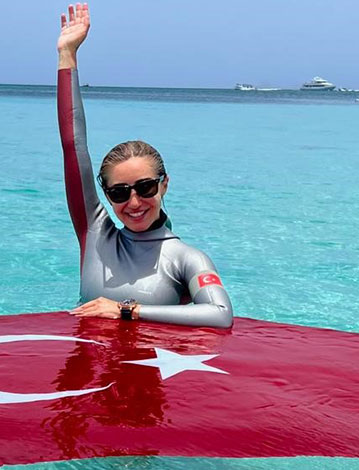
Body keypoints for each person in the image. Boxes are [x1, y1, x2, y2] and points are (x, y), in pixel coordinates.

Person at [57, 3, 233, 328]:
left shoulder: (186, 258)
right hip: (88, 362)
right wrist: (67, 55)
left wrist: (128, 310)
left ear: (164, 184)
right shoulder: (95, 235)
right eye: (119, 193)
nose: (134, 202)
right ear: (107, 196)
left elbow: (220, 315)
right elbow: (73, 146)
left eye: (146, 187)